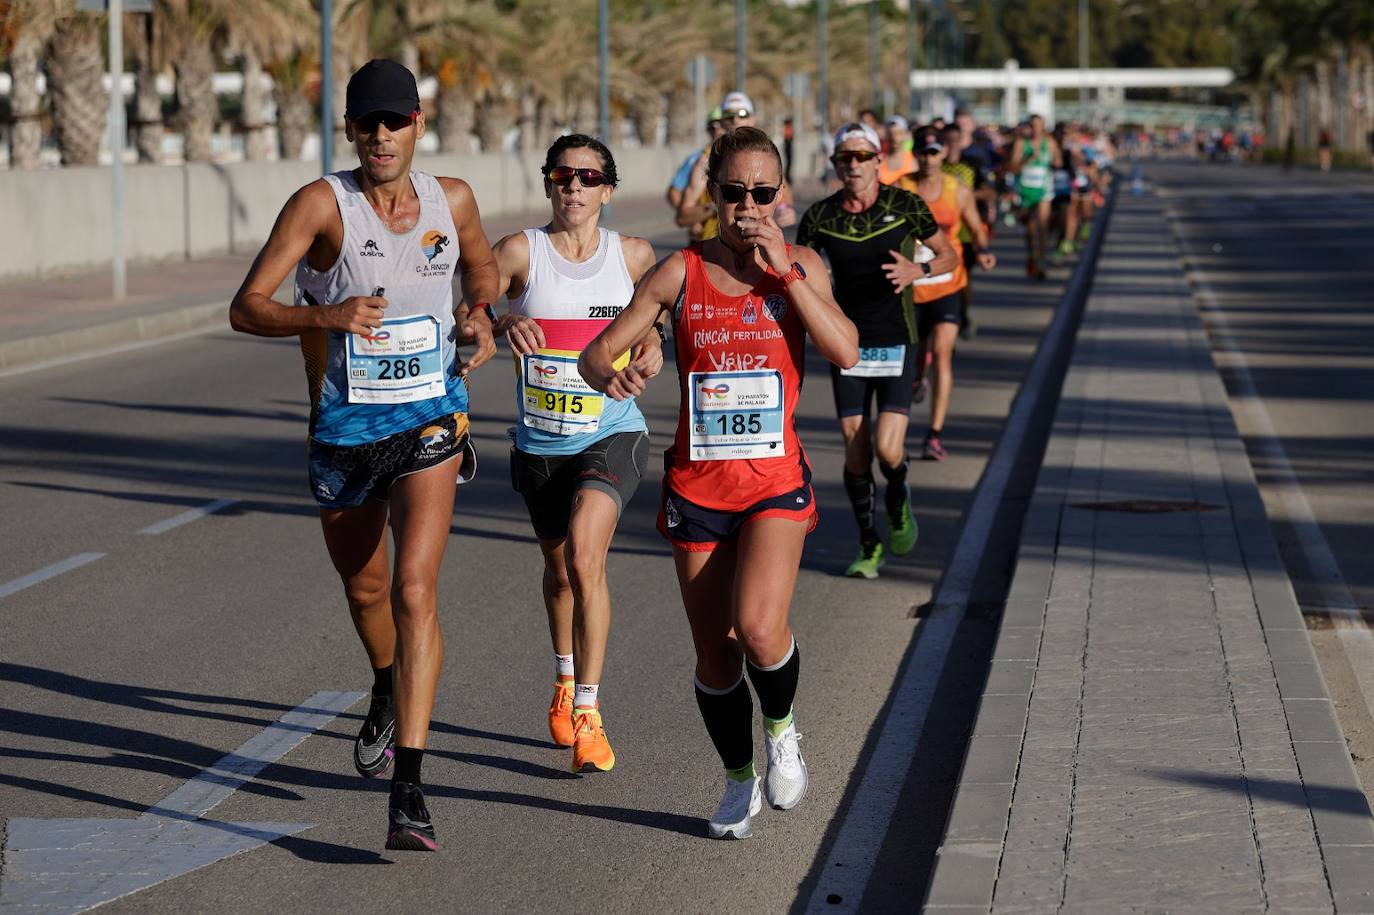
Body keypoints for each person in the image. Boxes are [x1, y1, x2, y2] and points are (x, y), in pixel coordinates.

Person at [228, 59, 499, 851]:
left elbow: (480, 267)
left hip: (432, 421)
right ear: (349, 129)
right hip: (345, 432)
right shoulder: (323, 205)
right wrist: (328, 316)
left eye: (395, 121)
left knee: (416, 587)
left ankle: (409, 787)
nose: (381, 136)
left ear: (419, 124)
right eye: (366, 123)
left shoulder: (454, 201)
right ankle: (385, 680)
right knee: (368, 585)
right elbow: (246, 306)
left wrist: (479, 315)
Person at [579, 127, 859, 839]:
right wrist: (618, 373)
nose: (747, 206)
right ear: (713, 195)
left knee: (760, 628)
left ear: (782, 197)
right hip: (700, 486)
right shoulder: (681, 273)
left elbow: (847, 351)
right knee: (716, 652)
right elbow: (595, 354)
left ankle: (785, 730)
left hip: (774, 480)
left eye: (762, 193)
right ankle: (739, 780)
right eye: (733, 192)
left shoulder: (799, 265)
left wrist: (789, 278)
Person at [487, 135, 659, 773]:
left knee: (587, 558)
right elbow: (466, 312)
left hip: (613, 432)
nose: (575, 188)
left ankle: (589, 708)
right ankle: (564, 681)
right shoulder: (519, 253)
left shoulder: (633, 255)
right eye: (563, 176)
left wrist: (652, 346)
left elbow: (659, 315)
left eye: (589, 178)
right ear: (548, 184)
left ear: (608, 189)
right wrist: (503, 323)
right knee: (559, 572)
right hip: (540, 442)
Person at [796, 122, 959, 579]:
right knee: (855, 450)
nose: (854, 165)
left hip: (896, 338)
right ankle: (869, 544)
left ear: (878, 160)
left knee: (889, 450)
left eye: (862, 156)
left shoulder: (905, 204)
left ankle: (898, 496)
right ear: (835, 164)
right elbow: (798, 272)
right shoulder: (821, 216)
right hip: (846, 344)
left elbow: (949, 255)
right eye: (845, 158)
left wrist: (917, 269)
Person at [898, 125, 996, 463]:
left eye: (934, 152)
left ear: (943, 154)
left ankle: (934, 435)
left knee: (942, 352)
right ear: (917, 154)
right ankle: (917, 382)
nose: (929, 159)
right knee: (916, 361)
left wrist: (982, 249)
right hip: (911, 286)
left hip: (948, 282)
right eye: (923, 152)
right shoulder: (902, 188)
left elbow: (973, 223)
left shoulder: (958, 189)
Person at [677, 92, 797, 234]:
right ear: (721, 121)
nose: (735, 120)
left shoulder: (765, 157)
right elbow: (683, 217)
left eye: (742, 114)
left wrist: (785, 210)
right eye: (729, 115)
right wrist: (723, 201)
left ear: (753, 119)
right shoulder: (705, 161)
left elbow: (782, 194)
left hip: (756, 248)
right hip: (717, 250)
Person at [1009, 114, 1061, 279]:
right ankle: (1032, 253)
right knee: (1030, 228)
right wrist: (1028, 159)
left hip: (1043, 188)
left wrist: (1051, 160)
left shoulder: (1049, 142)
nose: (1036, 129)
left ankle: (1041, 261)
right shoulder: (1021, 143)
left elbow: (1059, 162)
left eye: (1039, 125)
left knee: (1042, 225)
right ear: (1028, 127)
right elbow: (1013, 168)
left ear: (1043, 126)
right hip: (1025, 189)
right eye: (1033, 125)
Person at [667, 108, 726, 242]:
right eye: (712, 127)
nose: (717, 130)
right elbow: (673, 192)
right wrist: (694, 219)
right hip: (706, 237)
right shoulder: (698, 159)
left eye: (721, 125)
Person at [878, 115, 916, 185]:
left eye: (899, 133)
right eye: (891, 134)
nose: (895, 138)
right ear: (886, 135)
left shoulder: (914, 160)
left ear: (906, 134)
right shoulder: (878, 160)